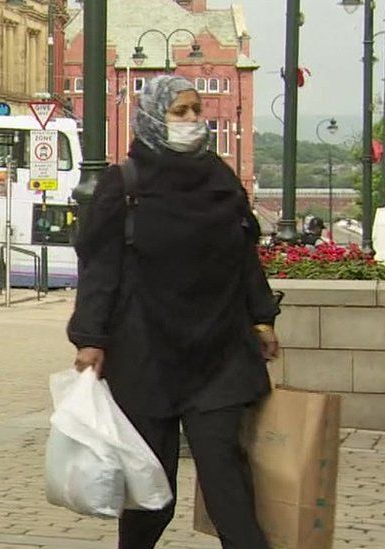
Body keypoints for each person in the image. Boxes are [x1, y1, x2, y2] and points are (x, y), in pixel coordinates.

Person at [67, 76, 279, 549]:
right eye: (178, 112)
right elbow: (100, 268)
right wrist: (90, 338)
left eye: (195, 110)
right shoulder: (124, 185)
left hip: (219, 350)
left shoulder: (220, 180)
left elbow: (244, 256)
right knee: (152, 489)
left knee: (227, 477)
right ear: (153, 117)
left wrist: (262, 317)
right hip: (147, 352)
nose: (190, 121)